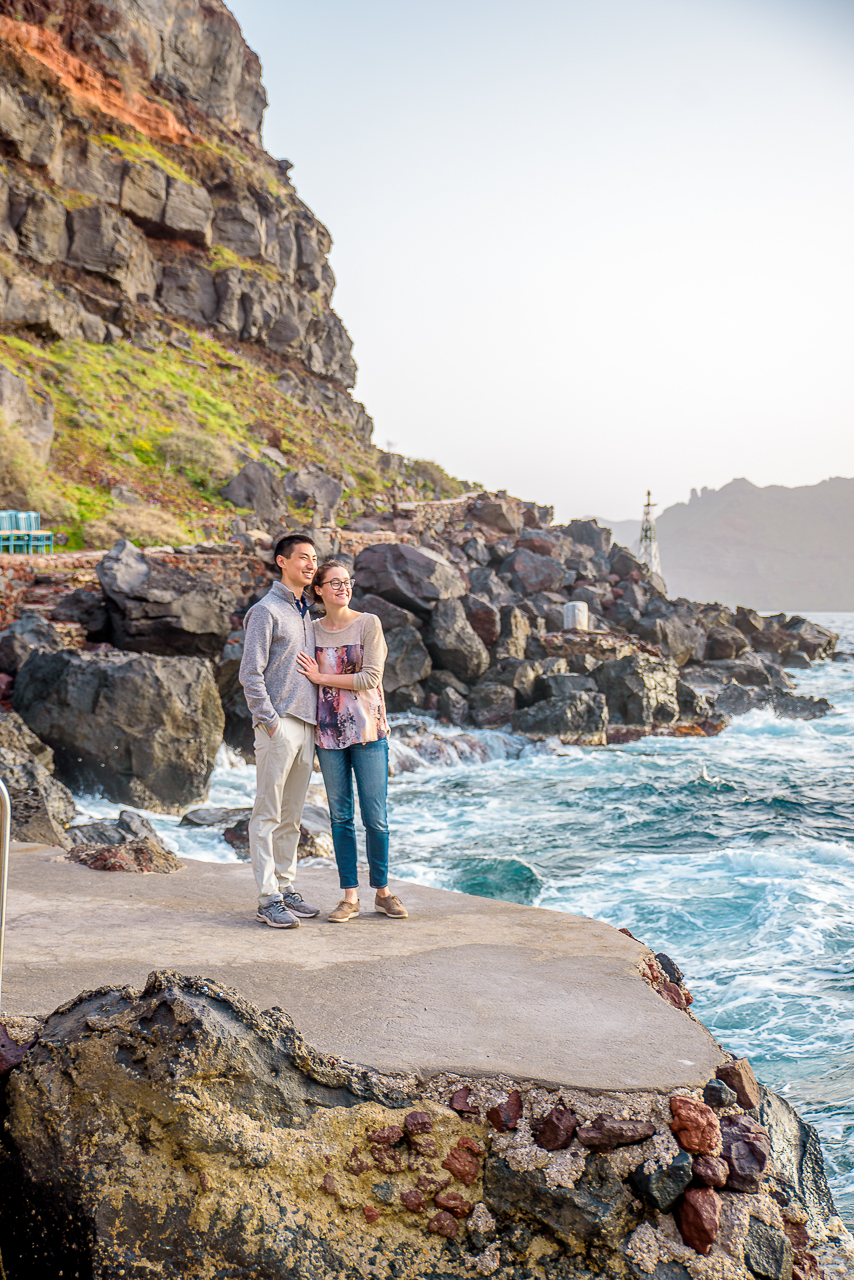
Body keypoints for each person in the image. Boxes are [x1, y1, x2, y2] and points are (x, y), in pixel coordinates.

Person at [297, 559, 408, 923]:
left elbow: (370, 677)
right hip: (328, 734)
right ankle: (349, 898)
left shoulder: (368, 624)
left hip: (369, 733)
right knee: (340, 817)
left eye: (347, 582)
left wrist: (320, 677)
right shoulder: (310, 631)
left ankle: (383, 892)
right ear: (318, 589)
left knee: (376, 818)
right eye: (334, 583)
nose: (343, 588)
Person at [238, 533, 322, 928]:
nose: (310, 564)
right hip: (279, 726)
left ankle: (286, 888)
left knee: (292, 817)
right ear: (281, 561)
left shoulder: (306, 612)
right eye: (302, 557)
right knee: (267, 814)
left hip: (307, 726)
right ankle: (267, 898)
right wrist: (269, 721)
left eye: (314, 559)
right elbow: (249, 673)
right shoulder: (265, 610)